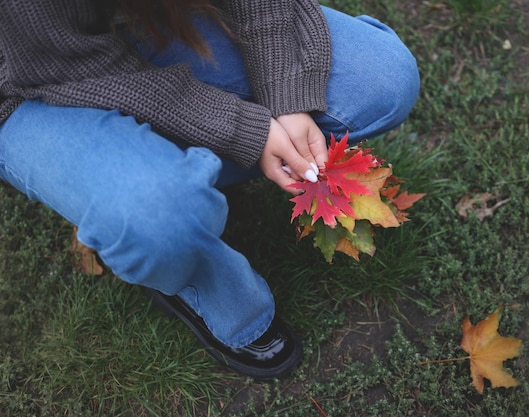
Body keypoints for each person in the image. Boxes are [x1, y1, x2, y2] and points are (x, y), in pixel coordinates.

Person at [0, 0, 419, 380]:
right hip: (29, 78)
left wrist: (286, 96)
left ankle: (166, 178)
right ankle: (183, 253)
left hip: (150, 18)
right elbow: (64, 65)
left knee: (382, 80)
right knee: (155, 214)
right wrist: (241, 129)